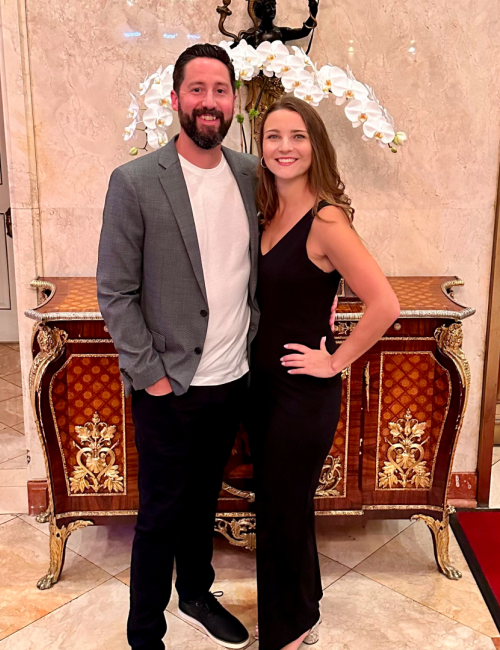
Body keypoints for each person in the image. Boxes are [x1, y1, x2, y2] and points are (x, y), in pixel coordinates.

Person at [97, 44, 258, 650]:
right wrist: (152, 376)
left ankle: (195, 593)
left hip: (231, 377)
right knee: (160, 513)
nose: (209, 101)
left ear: (234, 102)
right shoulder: (136, 181)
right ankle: (146, 635)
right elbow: (115, 292)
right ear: (176, 100)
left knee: (203, 502)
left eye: (220, 90)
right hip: (168, 385)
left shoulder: (251, 175)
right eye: (197, 90)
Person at [248, 96, 401, 650]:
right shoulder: (265, 212)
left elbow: (384, 304)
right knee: (283, 506)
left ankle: (284, 633)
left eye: (297, 137)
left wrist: (335, 361)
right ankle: (302, 611)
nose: (284, 147)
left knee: (282, 510)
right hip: (260, 389)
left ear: (315, 146)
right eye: (273, 137)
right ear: (260, 147)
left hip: (302, 393)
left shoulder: (326, 218)